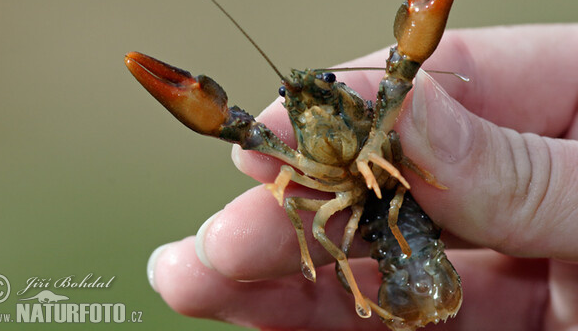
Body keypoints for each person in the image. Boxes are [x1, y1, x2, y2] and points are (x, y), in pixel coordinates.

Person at [146, 24, 578, 330]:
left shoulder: (376, 127)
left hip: (403, 211)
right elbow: (294, 202)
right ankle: (380, 294)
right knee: (304, 213)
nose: (310, 104)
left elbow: (397, 97)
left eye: (328, 86)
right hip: (351, 206)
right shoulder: (299, 152)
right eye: (290, 99)